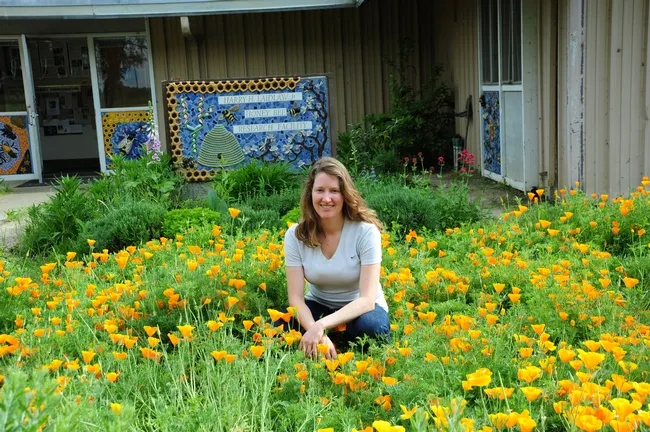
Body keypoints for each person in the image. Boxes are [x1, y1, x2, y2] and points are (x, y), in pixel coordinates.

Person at [283, 157, 390, 360]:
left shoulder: (365, 232)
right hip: (319, 304)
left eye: (334, 191)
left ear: (345, 194)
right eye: (320, 190)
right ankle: (328, 342)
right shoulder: (295, 235)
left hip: (360, 309)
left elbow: (367, 300)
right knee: (279, 323)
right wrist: (315, 329)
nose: (326, 198)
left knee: (371, 327)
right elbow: (296, 298)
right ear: (310, 194)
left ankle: (343, 344)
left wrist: (320, 326)